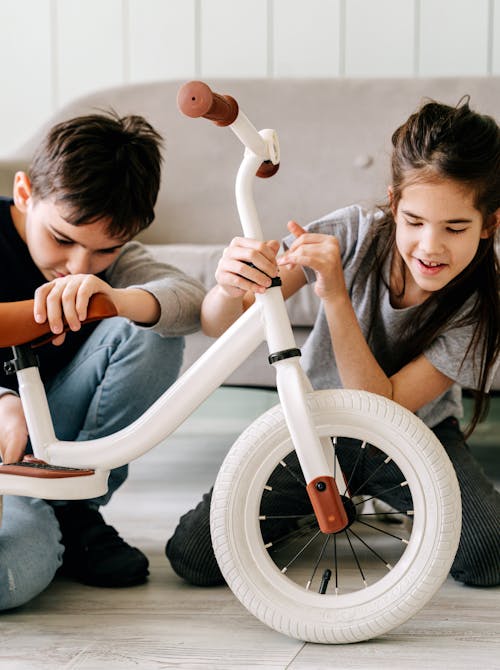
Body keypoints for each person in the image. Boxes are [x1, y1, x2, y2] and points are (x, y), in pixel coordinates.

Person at [166, 96, 500, 589]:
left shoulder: (478, 305)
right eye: (414, 222)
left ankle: (384, 499)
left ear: (490, 224)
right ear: (393, 203)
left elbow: (377, 409)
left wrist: (336, 298)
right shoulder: (352, 233)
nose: (431, 246)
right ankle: (324, 502)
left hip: (412, 434)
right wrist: (228, 282)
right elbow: (220, 325)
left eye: (455, 227)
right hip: (313, 425)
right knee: (194, 557)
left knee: (487, 557)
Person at [0, 111, 205, 609]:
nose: (77, 267)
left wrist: (112, 298)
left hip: (45, 455)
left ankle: (73, 508)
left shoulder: (113, 263)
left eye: (103, 251)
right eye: (63, 239)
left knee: (152, 330)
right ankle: (62, 522)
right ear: (26, 193)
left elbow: (188, 300)